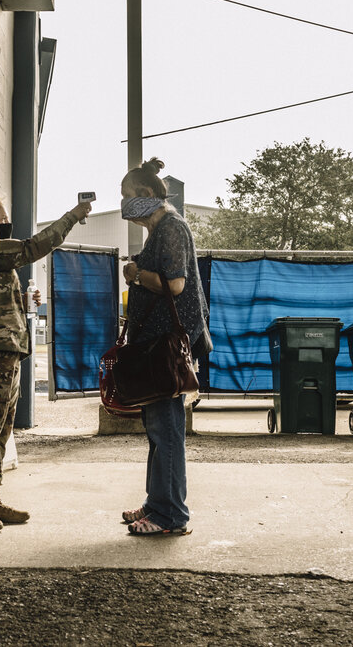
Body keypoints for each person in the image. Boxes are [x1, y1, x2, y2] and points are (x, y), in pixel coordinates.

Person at [0, 195, 92, 534]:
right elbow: (33, 246)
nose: (6, 222)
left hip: (6, 353)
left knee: (0, 429)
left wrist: (23, 301)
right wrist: (72, 215)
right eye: (1, 218)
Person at [119, 157, 211, 536]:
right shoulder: (159, 230)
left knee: (166, 430)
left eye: (127, 196)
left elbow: (175, 284)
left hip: (166, 346)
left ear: (146, 195)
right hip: (156, 343)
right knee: (158, 428)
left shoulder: (171, 227)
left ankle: (170, 516)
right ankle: (158, 502)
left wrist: (136, 274)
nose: (124, 204)